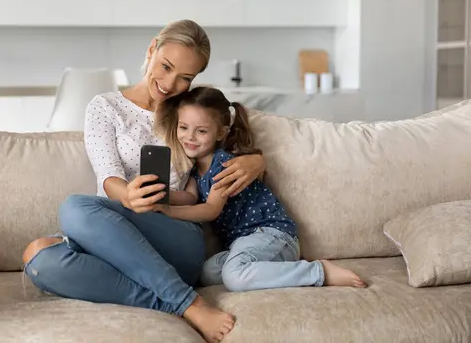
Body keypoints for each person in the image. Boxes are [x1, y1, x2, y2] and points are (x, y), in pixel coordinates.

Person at [22, 20, 267, 343]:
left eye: (185, 78)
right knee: (39, 259)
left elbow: (231, 125)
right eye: (165, 67)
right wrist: (128, 196)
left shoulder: (189, 113)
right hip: (115, 236)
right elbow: (109, 178)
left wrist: (256, 160)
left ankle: (188, 302)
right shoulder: (105, 107)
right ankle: (176, 302)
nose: (169, 83)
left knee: (75, 208)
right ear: (152, 49)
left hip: (175, 238)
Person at [153, 86, 367, 292]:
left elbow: (211, 209)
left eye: (201, 131)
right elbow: (190, 197)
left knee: (234, 277)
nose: (189, 137)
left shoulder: (224, 165)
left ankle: (318, 271)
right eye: (183, 127)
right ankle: (274, 270)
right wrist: (161, 196)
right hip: (244, 243)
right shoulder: (194, 170)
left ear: (221, 133)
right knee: (206, 274)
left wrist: (169, 212)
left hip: (272, 235)